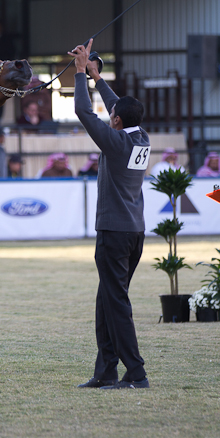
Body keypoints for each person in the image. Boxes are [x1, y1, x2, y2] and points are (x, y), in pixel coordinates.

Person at [70, 39, 150, 390]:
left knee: (115, 304)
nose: (111, 114)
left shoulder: (116, 143)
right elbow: (119, 108)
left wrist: (79, 75)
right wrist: (97, 77)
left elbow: (84, 113)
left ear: (116, 120)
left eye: (112, 114)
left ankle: (137, 373)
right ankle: (106, 371)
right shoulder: (141, 136)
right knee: (106, 301)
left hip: (114, 234)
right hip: (133, 233)